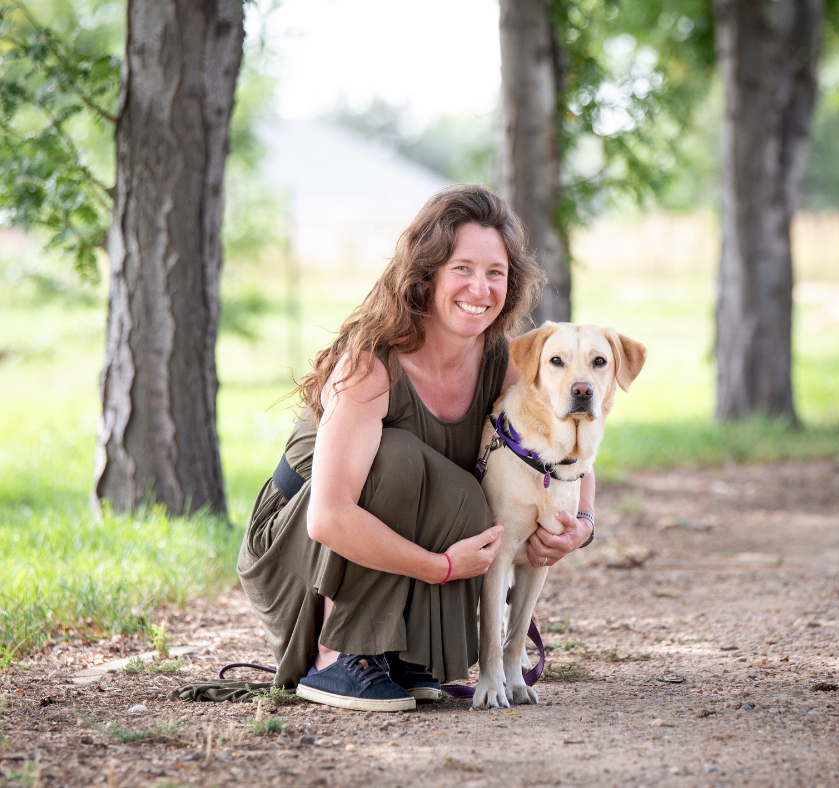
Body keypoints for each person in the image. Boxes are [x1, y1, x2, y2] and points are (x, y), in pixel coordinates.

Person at [237, 184, 597, 712]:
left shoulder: (507, 364)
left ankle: (400, 650)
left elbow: (570, 449)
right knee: (398, 457)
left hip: (409, 541)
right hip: (302, 546)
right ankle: (337, 656)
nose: (480, 287)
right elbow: (328, 517)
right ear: (426, 273)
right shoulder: (371, 364)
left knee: (474, 499)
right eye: (462, 269)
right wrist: (440, 568)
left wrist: (581, 526)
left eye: (495, 272)